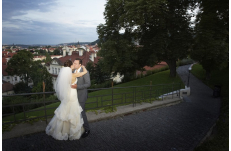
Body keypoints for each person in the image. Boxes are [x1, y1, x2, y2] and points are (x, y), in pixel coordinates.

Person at [46, 60, 88, 140]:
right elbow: (84, 72)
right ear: (70, 66)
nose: (73, 65)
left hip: (67, 94)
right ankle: (72, 131)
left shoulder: (63, 75)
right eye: (72, 64)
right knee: (73, 111)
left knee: (65, 111)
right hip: (72, 94)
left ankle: (62, 130)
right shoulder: (73, 75)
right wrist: (83, 66)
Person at [71, 58, 91, 138]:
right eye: (74, 63)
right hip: (73, 96)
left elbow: (88, 84)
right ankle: (78, 128)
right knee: (74, 113)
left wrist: (77, 86)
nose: (74, 64)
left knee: (82, 113)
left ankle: (87, 129)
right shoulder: (72, 71)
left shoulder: (85, 72)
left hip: (81, 96)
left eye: (76, 63)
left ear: (80, 64)